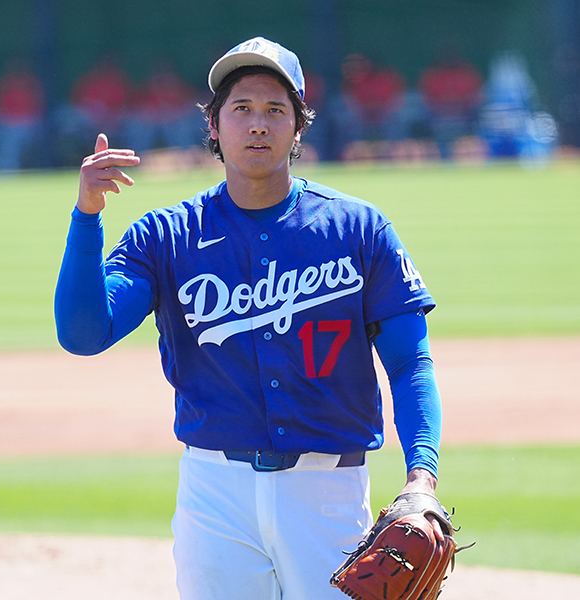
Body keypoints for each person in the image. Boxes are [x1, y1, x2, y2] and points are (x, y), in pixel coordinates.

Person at [55, 36, 444, 600]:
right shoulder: (166, 236)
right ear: (214, 126)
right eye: (241, 108)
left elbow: (410, 363)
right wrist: (86, 216)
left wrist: (421, 478)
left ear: (298, 128)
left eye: (275, 110)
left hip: (329, 493)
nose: (258, 124)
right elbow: (84, 334)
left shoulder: (359, 229)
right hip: (216, 495)